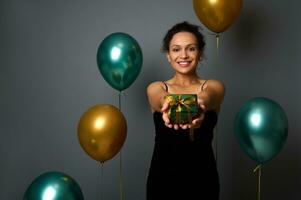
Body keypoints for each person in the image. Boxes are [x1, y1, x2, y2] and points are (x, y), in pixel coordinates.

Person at [146, 21, 225, 200]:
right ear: (168, 55)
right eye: (176, 49)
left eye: (191, 49)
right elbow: (159, 98)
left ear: (200, 53)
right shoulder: (157, 87)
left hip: (203, 179)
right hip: (162, 180)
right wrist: (167, 104)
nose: (184, 55)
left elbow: (208, 96)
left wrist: (199, 105)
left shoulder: (214, 86)